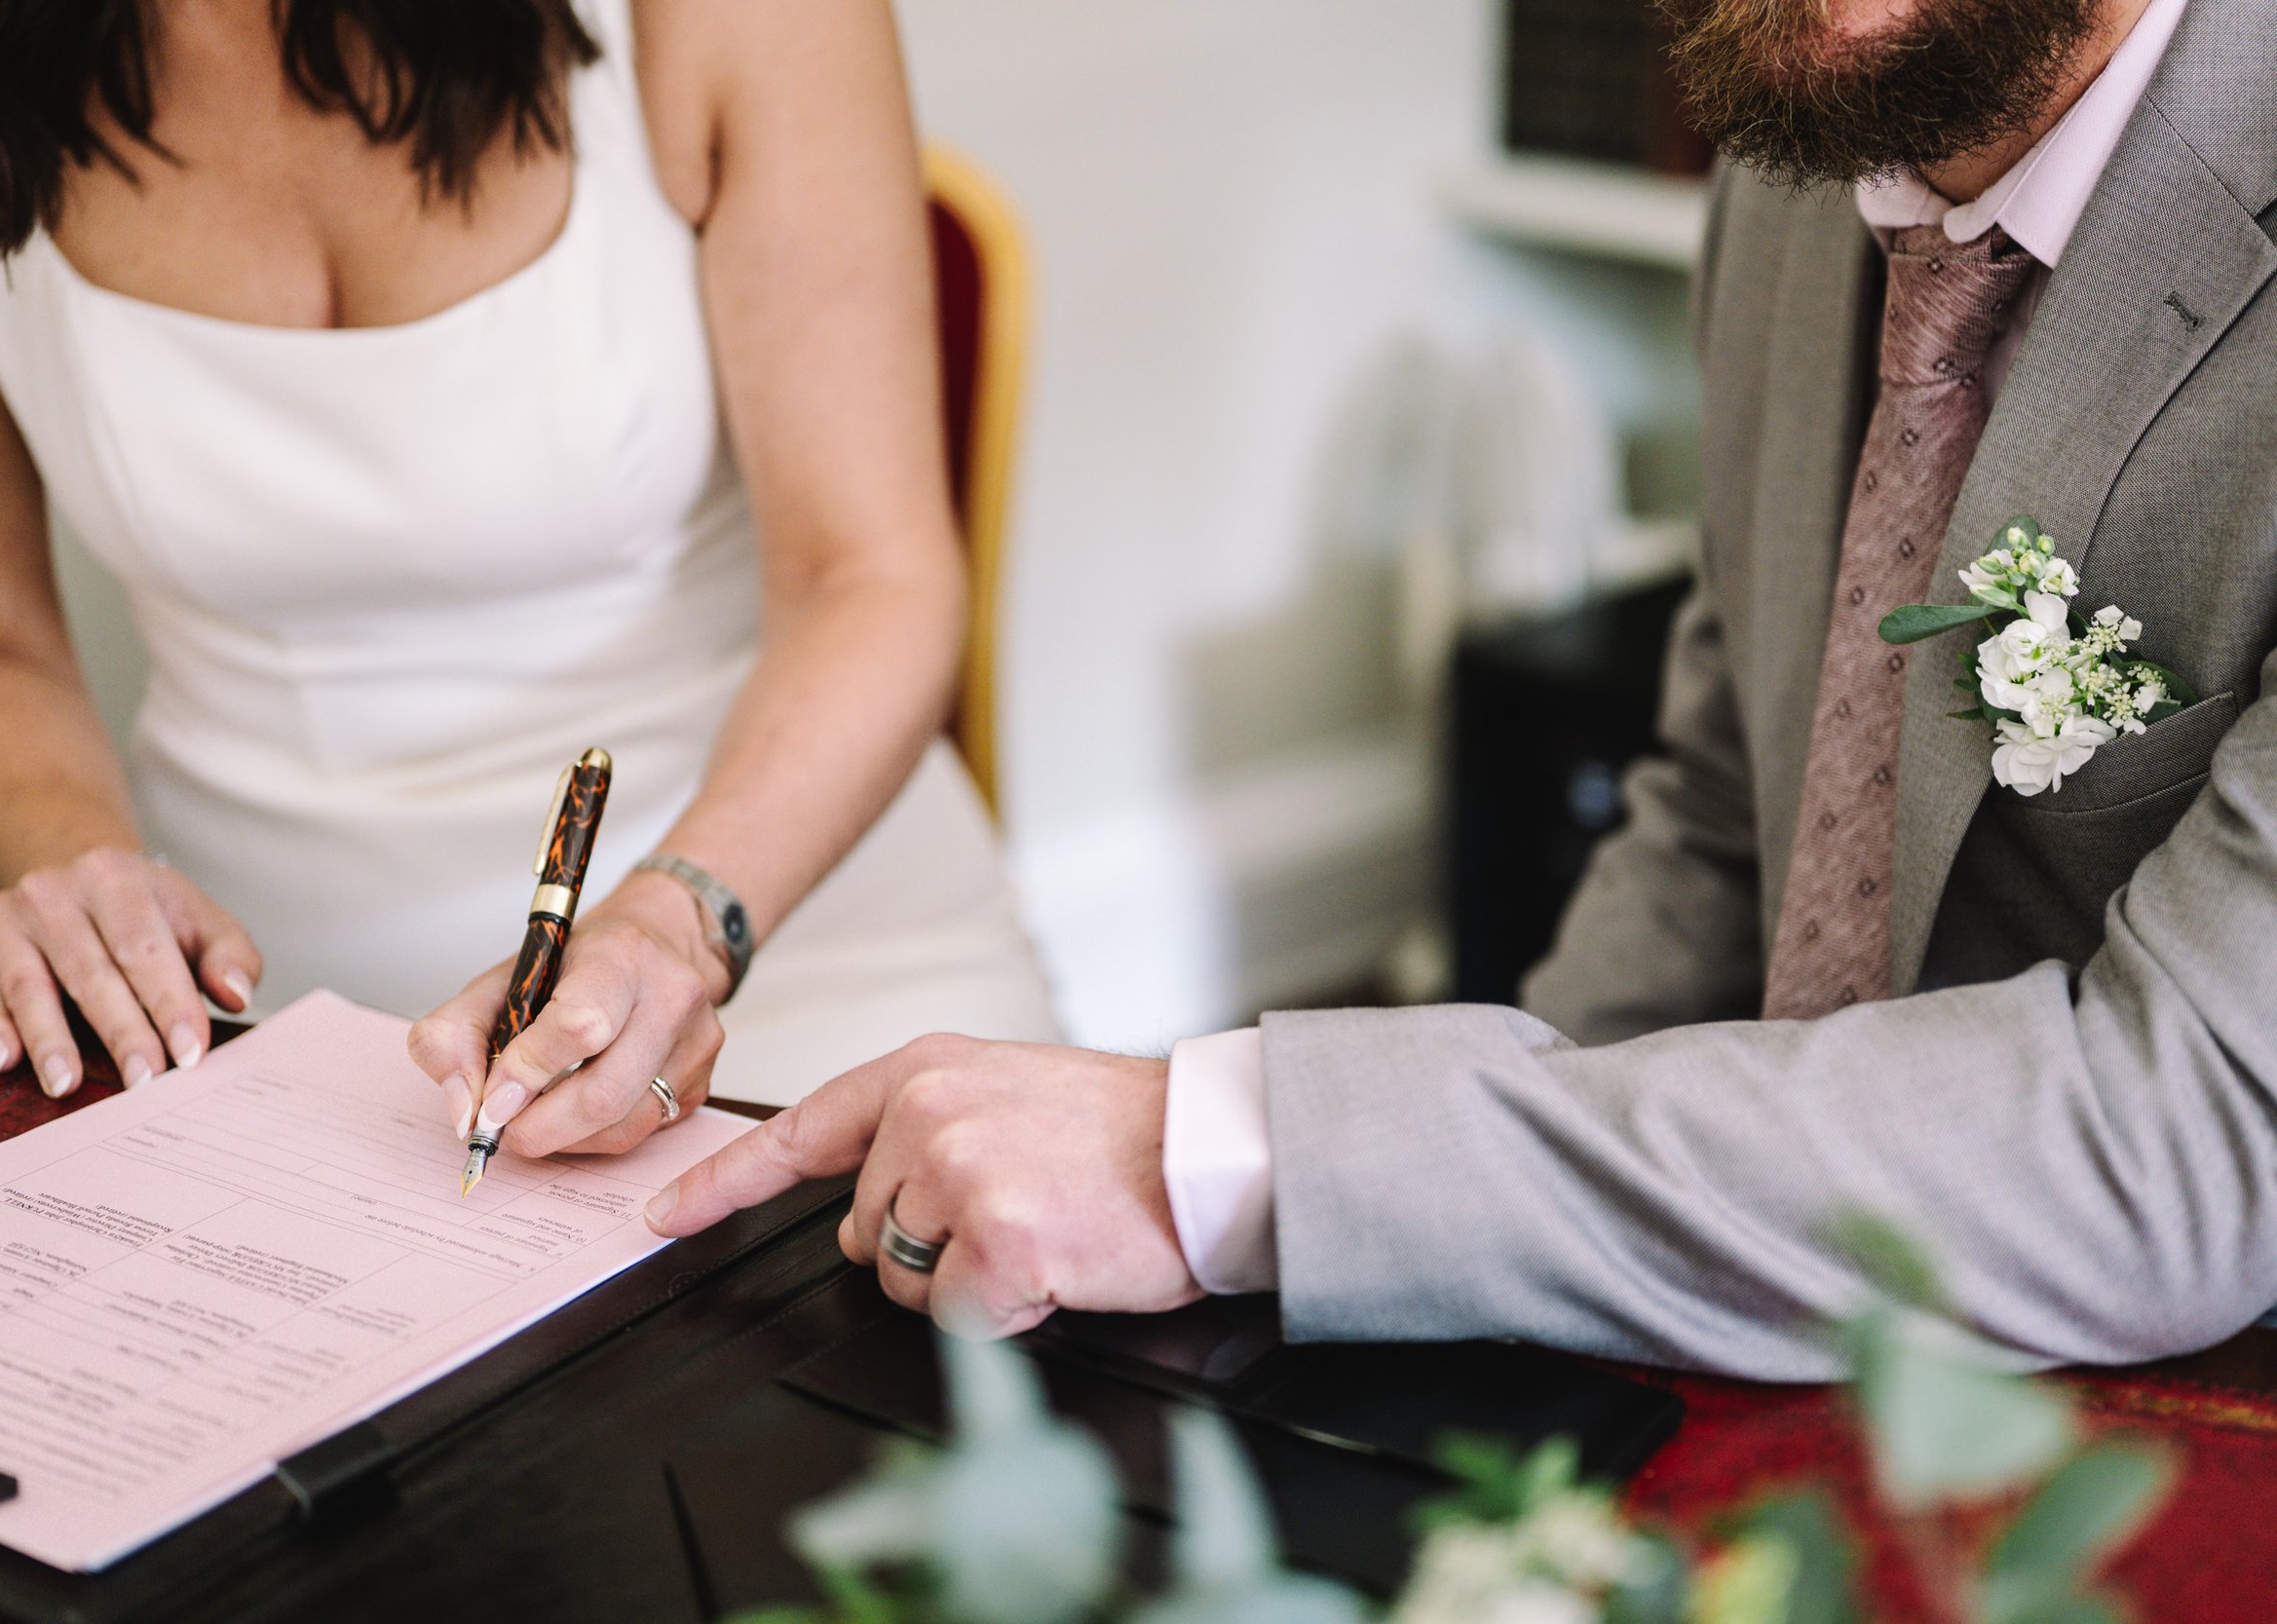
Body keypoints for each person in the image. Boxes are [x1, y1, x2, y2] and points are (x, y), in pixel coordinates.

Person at [647, 0, 2277, 1379]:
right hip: (1763, 1330)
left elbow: (2188, 1138)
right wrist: (1416, 1240)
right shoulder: (1807, 145)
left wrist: (1241, 1157)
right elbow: (1729, 815)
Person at [0, 0, 1057, 1146]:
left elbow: (869, 577)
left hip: (777, 922)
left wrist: (679, 919)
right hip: (243, 1009)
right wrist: (76, 865)